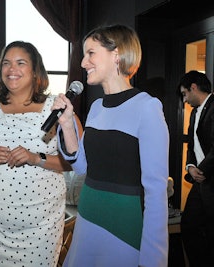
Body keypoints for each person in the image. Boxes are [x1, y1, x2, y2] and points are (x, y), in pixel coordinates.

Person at [52, 24, 169, 267]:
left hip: (122, 226)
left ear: (116, 54)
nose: (83, 63)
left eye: (90, 53)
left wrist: (154, 259)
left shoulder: (147, 107)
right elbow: (82, 167)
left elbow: (156, 192)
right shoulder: (96, 108)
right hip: (88, 217)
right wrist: (65, 124)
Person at [0, 40, 72, 266]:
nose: (11, 69)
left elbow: (73, 161)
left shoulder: (57, 107)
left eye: (20, 63)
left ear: (35, 71)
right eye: (6, 63)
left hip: (41, 224)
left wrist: (36, 158)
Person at [179, 70, 214, 266]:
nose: (185, 99)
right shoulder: (194, 112)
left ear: (194, 88)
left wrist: (203, 171)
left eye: (185, 94)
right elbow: (192, 144)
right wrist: (191, 167)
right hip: (200, 182)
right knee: (189, 226)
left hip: (211, 181)